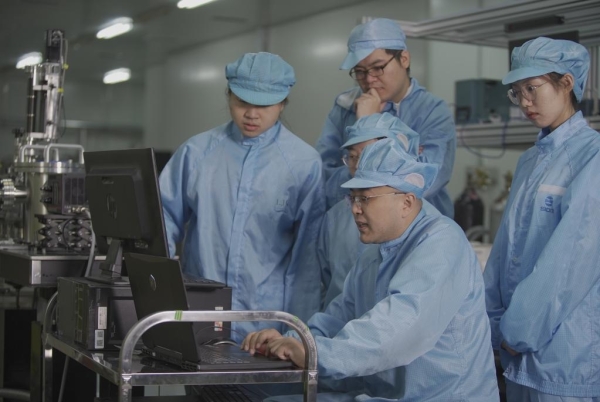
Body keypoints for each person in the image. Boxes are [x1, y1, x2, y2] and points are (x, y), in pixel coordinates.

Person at [243, 138, 499, 401]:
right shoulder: (375, 253)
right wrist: (293, 341)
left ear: (407, 202)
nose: (355, 209)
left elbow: (399, 328)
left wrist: (315, 353)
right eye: (353, 198)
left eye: (365, 198)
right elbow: (339, 317)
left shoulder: (442, 243)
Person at [159, 52, 325, 342]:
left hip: (266, 325)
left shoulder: (303, 164)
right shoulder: (196, 153)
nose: (251, 114)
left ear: (282, 103)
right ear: (228, 96)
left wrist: (295, 335)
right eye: (242, 102)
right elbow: (162, 220)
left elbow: (307, 261)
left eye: (264, 105)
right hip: (199, 312)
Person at [484, 37, 600, 401]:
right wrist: (490, 321)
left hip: (563, 356)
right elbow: (504, 248)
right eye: (517, 92)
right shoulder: (529, 161)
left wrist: (518, 331)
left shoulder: (593, 156)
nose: (525, 102)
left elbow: (571, 260)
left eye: (532, 88)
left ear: (566, 82)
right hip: (514, 350)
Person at [316, 18, 455, 218]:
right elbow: (323, 179)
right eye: (360, 71)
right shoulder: (344, 108)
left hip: (418, 226)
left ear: (404, 59)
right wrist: (399, 163)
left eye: (378, 67)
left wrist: (368, 128)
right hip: (353, 224)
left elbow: (422, 182)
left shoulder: (432, 111)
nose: (369, 79)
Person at [319, 112, 424, 311]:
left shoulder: (428, 231)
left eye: (369, 155)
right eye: (352, 156)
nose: (359, 166)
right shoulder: (336, 218)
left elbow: (403, 316)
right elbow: (333, 296)